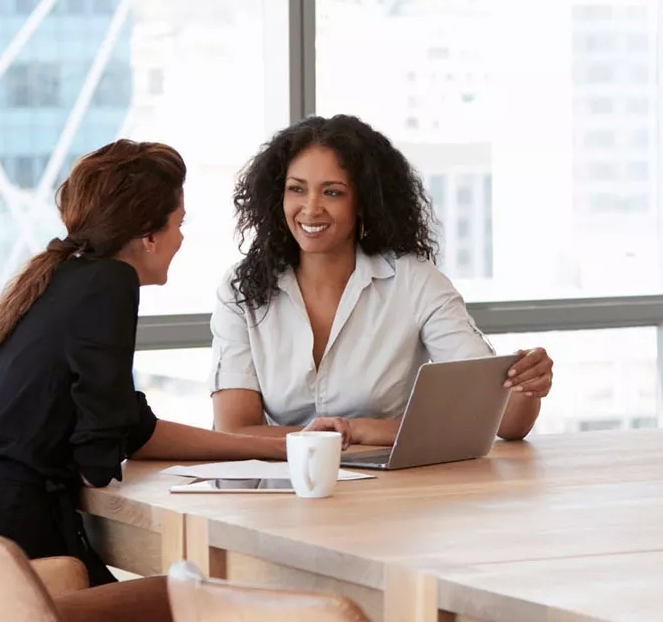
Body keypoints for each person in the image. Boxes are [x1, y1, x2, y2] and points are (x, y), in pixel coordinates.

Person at [0, 139, 286, 584]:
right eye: (179, 223)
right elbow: (101, 449)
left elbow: (129, 428)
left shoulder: (64, 277)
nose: (181, 238)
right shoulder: (109, 281)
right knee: (195, 609)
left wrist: (274, 446)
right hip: (19, 535)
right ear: (148, 236)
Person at [210, 115, 553, 447]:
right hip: (282, 489)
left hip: (395, 491)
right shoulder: (242, 289)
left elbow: (504, 420)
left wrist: (527, 382)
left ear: (363, 201)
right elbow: (234, 430)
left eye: (332, 193)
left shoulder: (414, 282)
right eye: (296, 189)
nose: (311, 208)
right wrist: (343, 436)